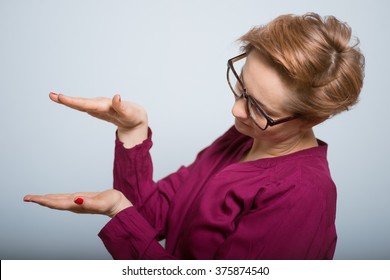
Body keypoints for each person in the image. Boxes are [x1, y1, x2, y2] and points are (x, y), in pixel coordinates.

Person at [23, 12, 365, 259]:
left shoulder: (303, 197)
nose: (237, 112)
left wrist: (119, 214)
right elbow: (153, 217)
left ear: (312, 119)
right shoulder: (244, 138)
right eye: (241, 87)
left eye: (260, 109)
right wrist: (133, 131)